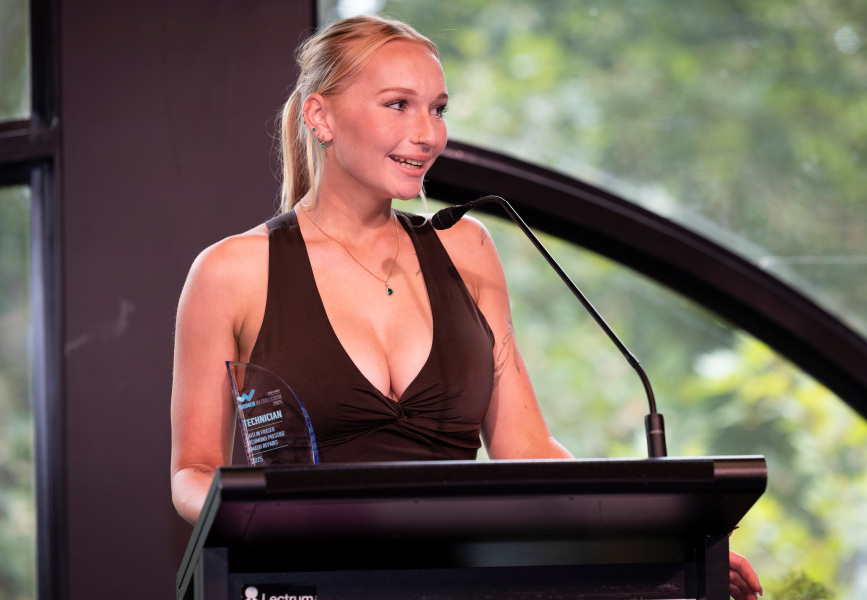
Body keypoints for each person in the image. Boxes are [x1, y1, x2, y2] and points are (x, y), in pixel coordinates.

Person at [169, 15, 762, 600]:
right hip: (311, 581)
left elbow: (525, 450)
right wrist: (268, 519)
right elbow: (193, 472)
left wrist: (664, 536)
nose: (428, 133)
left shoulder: (466, 248)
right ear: (319, 116)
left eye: (438, 109)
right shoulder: (232, 271)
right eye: (399, 105)